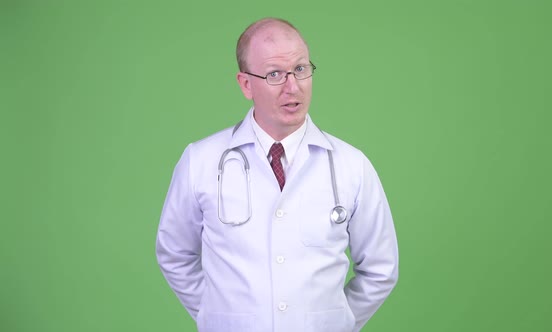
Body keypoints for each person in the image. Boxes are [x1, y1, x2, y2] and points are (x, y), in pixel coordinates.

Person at [156, 17, 399, 332]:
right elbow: (174, 253)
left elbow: (381, 268)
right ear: (246, 84)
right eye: (274, 74)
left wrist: (337, 321)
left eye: (300, 69)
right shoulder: (201, 161)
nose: (292, 86)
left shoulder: (352, 165)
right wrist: (216, 314)